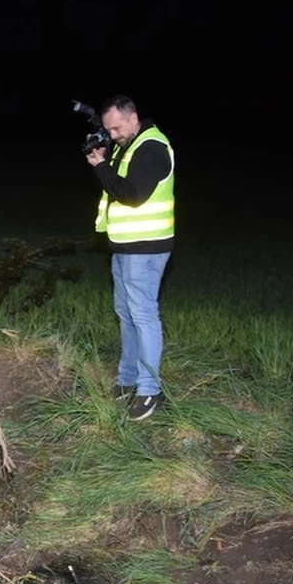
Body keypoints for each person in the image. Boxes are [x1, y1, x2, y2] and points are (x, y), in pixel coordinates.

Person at [86, 95, 175, 421]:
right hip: (125, 247)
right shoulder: (129, 144)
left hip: (147, 248)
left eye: (117, 128)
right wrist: (106, 157)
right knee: (126, 313)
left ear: (133, 117)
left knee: (144, 316)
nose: (113, 135)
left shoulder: (152, 148)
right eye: (108, 130)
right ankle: (127, 381)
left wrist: (101, 168)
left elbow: (132, 195)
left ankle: (149, 390)